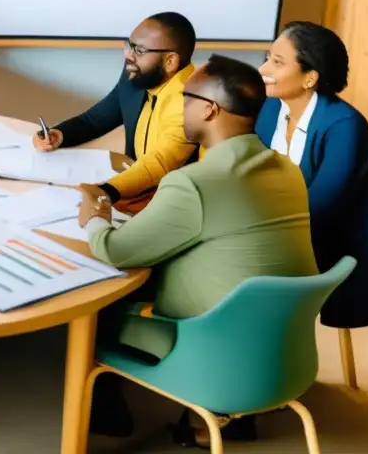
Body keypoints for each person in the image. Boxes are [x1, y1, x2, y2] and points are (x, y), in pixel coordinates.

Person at [78, 55, 317, 443]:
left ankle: (106, 415)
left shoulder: (195, 182)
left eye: (185, 98)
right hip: (284, 350)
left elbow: (114, 250)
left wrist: (96, 213)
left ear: (209, 109)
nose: (180, 107)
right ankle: (226, 415)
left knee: (100, 307)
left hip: (211, 348)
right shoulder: (286, 169)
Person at [257, 21, 368, 329]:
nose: (263, 70)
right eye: (267, 58)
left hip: (354, 249)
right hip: (298, 235)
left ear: (310, 77)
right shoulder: (270, 108)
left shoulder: (345, 125)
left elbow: (321, 207)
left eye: (277, 62)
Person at [34, 12, 199, 213]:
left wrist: (104, 191)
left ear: (170, 61)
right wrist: (59, 135)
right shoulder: (139, 74)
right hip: (131, 189)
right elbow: (95, 119)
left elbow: (158, 163)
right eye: (129, 45)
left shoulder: (192, 101)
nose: (128, 55)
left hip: (173, 205)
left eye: (139, 50)